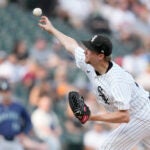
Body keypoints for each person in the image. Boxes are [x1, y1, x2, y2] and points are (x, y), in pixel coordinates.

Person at [38, 16, 150, 150]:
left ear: (100, 56)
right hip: (138, 116)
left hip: (141, 115)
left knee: (107, 147)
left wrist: (91, 116)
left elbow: (124, 116)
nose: (85, 50)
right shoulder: (90, 63)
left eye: (90, 49)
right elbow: (71, 45)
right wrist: (52, 30)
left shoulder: (117, 79)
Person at [0, 78, 48, 150]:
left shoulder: (18, 106)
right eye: (3, 92)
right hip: (1, 140)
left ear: (11, 91)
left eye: (7, 91)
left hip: (16, 140)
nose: (5, 94)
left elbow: (28, 122)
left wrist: (24, 133)